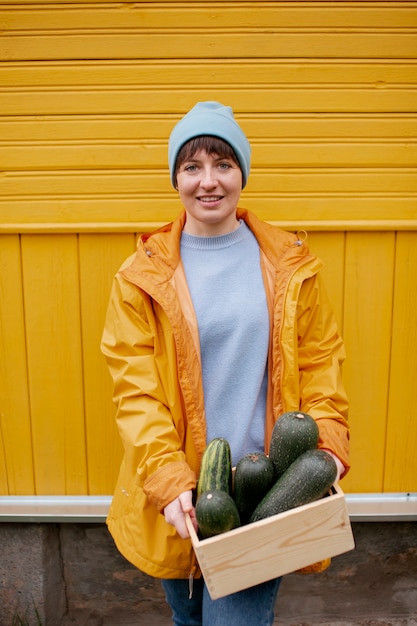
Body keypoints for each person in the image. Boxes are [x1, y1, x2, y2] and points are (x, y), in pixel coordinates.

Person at [101, 101, 350, 626]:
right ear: (176, 178)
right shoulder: (139, 278)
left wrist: (326, 444)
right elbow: (136, 391)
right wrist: (170, 482)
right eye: (192, 166)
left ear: (242, 173)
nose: (208, 182)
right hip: (177, 491)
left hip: (261, 492)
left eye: (223, 164)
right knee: (187, 619)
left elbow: (321, 362)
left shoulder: (289, 265)